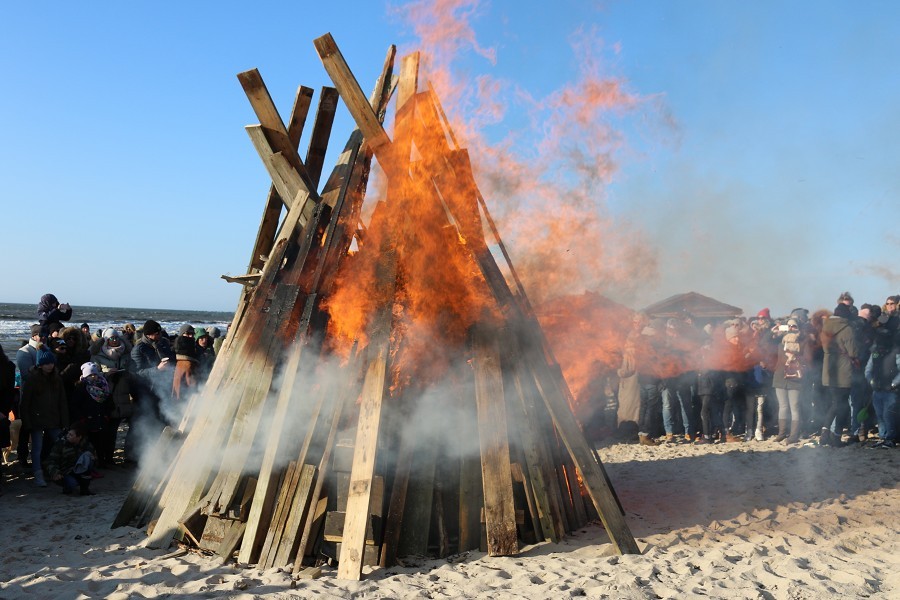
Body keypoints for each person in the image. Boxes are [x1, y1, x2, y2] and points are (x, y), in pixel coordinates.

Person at [19, 346, 69, 486]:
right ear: (40, 365)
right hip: (36, 420)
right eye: (47, 363)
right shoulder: (32, 380)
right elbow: (25, 404)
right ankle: (38, 474)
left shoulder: (57, 379)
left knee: (61, 443)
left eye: (52, 363)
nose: (50, 366)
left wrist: (65, 422)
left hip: (53, 419)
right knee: (37, 448)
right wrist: (27, 422)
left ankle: (58, 471)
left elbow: (62, 402)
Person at [818, 303, 859, 446]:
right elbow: (853, 352)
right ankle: (836, 437)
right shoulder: (847, 329)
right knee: (842, 405)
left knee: (836, 403)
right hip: (843, 372)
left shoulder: (825, 328)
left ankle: (824, 432)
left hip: (829, 371)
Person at [771, 318, 809, 444]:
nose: (791, 328)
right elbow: (763, 344)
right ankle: (781, 433)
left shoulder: (803, 342)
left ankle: (793, 435)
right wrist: (772, 331)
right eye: (789, 326)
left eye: (794, 326)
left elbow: (809, 360)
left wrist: (795, 357)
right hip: (780, 376)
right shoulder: (780, 342)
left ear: (799, 328)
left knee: (794, 406)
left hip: (795, 377)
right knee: (782, 406)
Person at [865, 326, 900, 448]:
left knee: (888, 415)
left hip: (891, 391)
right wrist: (871, 381)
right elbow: (868, 370)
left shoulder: (896, 352)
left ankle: (890, 439)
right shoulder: (875, 353)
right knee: (880, 416)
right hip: (877, 390)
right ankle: (883, 437)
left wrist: (893, 384)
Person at [14, 324, 43, 470]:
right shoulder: (24, 351)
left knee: (40, 430)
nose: (45, 338)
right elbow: (26, 375)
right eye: (42, 335)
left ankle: (39, 459)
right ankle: (22, 458)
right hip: (28, 397)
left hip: (44, 397)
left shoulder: (46, 349)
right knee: (26, 429)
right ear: (34, 335)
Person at [70, 363, 112, 462]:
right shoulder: (81, 387)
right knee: (89, 443)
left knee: (102, 441)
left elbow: (109, 402)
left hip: (101, 418)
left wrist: (106, 415)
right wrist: (82, 418)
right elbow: (75, 405)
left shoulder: (103, 385)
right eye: (90, 375)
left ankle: (103, 461)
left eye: (95, 374)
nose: (93, 376)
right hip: (87, 420)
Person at [45, 423, 97, 495]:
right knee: (72, 483)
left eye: (71, 435)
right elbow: (51, 460)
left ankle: (84, 489)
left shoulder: (86, 445)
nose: (68, 436)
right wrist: (55, 472)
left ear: (79, 437)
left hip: (79, 469)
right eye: (68, 433)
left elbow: (94, 458)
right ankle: (67, 488)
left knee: (88, 459)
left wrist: (92, 459)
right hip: (64, 472)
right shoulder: (60, 444)